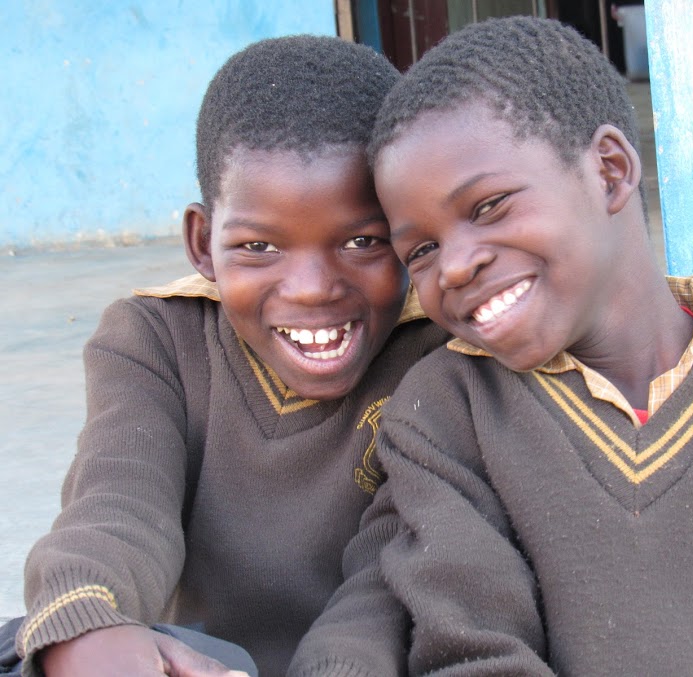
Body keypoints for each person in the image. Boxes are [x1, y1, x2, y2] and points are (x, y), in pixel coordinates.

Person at [292, 17, 693, 676]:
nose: (457, 265)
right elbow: (471, 649)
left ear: (608, 172)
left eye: (489, 205)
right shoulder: (446, 413)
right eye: (423, 248)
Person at [4, 35, 446, 677]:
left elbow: (391, 570)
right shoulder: (153, 339)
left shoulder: (437, 357)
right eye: (259, 247)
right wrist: (90, 625)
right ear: (202, 242)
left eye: (361, 240)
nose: (313, 287)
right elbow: (119, 502)